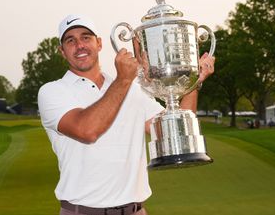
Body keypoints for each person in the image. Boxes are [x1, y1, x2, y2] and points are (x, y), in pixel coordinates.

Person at [37, 14, 215, 215]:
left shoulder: (134, 88)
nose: (79, 45)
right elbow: (87, 130)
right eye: (70, 41)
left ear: (99, 43)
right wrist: (123, 79)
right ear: (62, 51)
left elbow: (172, 132)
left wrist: (193, 83)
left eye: (86, 37)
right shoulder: (53, 91)